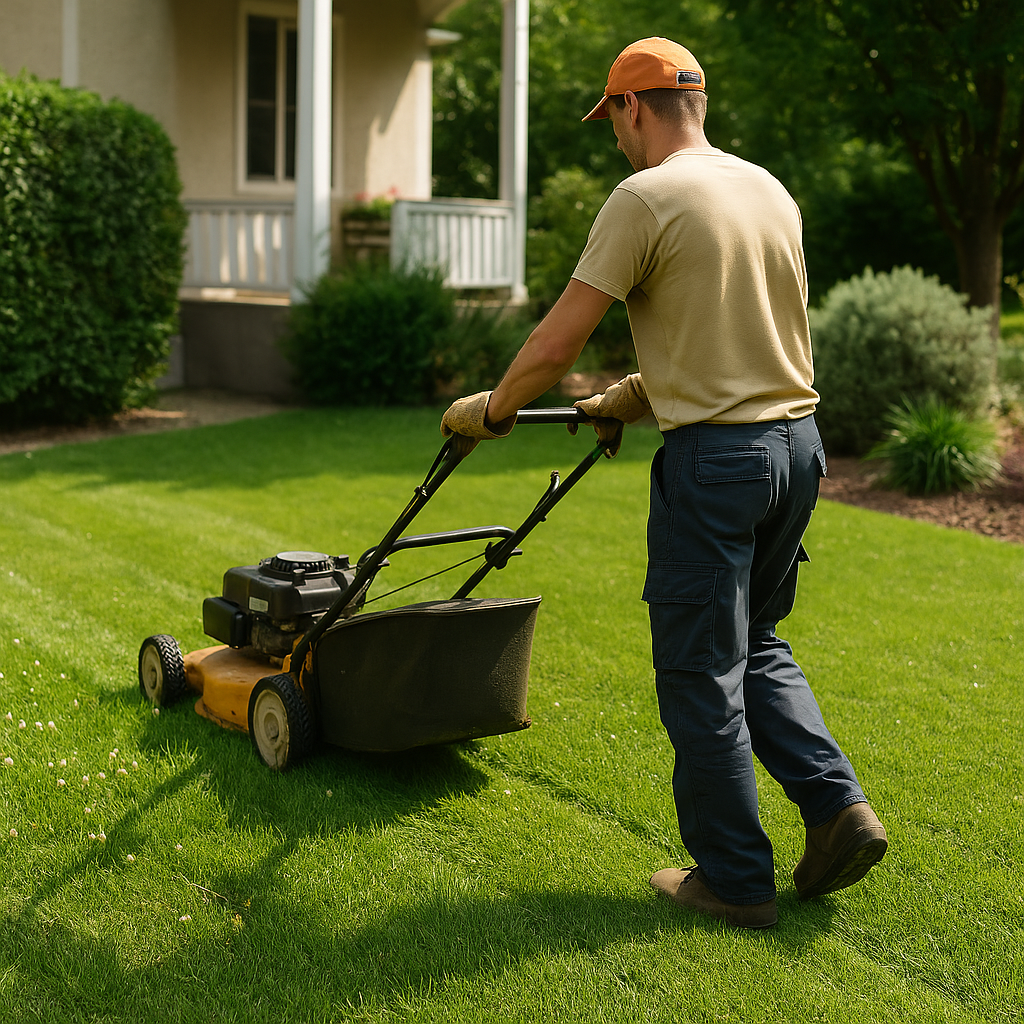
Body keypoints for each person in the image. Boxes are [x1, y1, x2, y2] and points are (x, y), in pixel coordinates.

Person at [441, 37, 886, 929]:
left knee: (699, 671)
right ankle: (839, 809)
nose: (613, 136)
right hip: (796, 449)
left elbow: (554, 344)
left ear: (633, 106)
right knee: (756, 641)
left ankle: (734, 881)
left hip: (717, 465)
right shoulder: (767, 190)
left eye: (611, 117)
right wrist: (630, 397)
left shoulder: (644, 197)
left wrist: (493, 410)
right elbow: (743, 342)